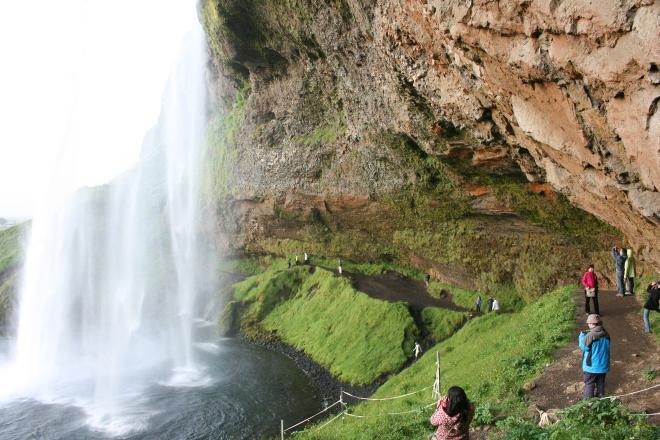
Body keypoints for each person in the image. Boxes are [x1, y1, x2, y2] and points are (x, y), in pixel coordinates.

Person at [578, 314, 610, 399]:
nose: (588, 325)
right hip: (603, 365)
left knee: (589, 383)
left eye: (588, 323)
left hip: (591, 366)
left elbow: (584, 347)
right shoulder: (606, 334)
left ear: (592, 323)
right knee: (600, 383)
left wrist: (582, 336)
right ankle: (601, 400)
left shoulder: (591, 335)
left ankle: (588, 403)